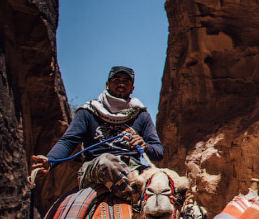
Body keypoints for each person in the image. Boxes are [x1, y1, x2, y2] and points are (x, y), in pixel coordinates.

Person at [30, 66, 163, 198]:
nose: (121, 84)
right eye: (116, 80)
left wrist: (145, 146)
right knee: (107, 161)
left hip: (133, 169)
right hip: (95, 167)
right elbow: (68, 141)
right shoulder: (88, 112)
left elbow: (158, 152)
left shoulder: (141, 115)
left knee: (164, 178)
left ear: (132, 88)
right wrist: (50, 161)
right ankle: (133, 197)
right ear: (107, 85)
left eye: (126, 81)